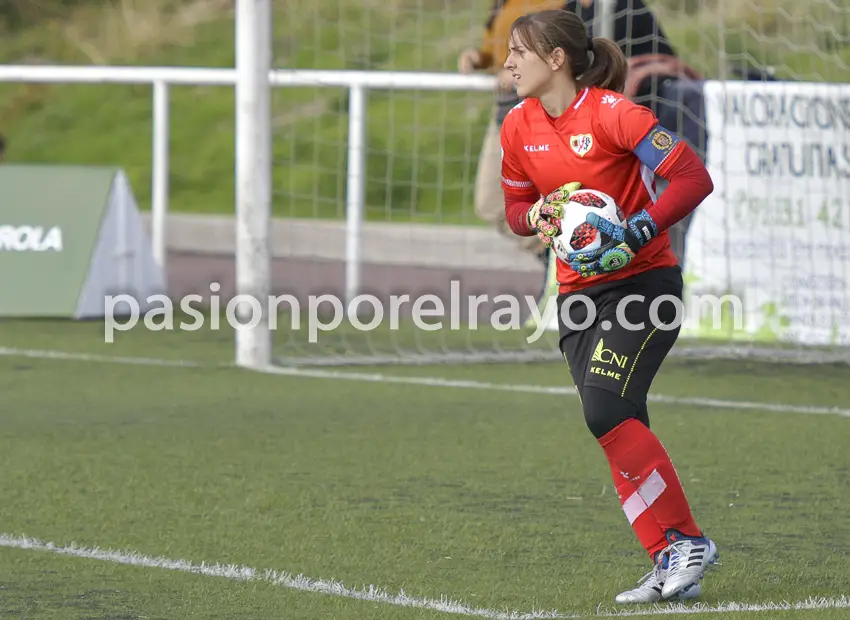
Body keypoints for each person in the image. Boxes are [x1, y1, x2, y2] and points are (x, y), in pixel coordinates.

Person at [499, 9, 718, 605]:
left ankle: (688, 542)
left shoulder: (615, 114)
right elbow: (515, 209)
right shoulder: (517, 125)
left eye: (519, 51)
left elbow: (693, 177)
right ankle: (667, 558)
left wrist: (638, 228)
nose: (508, 63)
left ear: (556, 59)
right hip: (576, 297)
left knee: (604, 410)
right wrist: (537, 215)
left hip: (644, 287)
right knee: (617, 424)